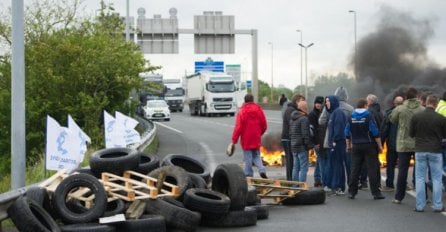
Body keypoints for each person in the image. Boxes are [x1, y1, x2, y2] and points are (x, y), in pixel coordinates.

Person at [410, 95, 446, 212]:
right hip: (435, 150)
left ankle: (419, 206)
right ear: (435, 104)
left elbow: (411, 134)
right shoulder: (441, 118)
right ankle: (438, 205)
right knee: (437, 179)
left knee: (420, 178)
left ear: (426, 102)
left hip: (420, 150)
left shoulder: (416, 117)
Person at [389, 87, 424, 204]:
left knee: (402, 171)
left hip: (403, 144)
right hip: (418, 143)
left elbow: (392, 120)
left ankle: (399, 197)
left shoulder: (400, 109)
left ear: (406, 97)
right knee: (420, 171)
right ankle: (423, 197)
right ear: (416, 97)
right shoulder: (422, 109)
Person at [345, 98, 385, 200]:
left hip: (356, 146)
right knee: (372, 169)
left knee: (355, 169)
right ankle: (376, 193)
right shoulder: (368, 115)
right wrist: (380, 146)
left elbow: (347, 133)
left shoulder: (351, 116)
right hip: (369, 145)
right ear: (365, 105)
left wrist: (348, 145)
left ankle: (352, 192)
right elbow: (375, 132)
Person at [231, 94, 268, 178]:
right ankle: (261, 169)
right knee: (256, 155)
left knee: (248, 156)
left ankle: (248, 174)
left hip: (246, 138)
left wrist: (234, 140)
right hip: (256, 136)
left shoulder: (242, 111)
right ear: (253, 100)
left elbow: (238, 127)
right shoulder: (259, 110)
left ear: (245, 101)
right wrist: (259, 133)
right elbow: (264, 124)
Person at [380, 95, 404, 191]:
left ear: (394, 103)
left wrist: (380, 144)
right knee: (403, 166)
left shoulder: (389, 114)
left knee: (390, 165)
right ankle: (403, 184)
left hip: (392, 144)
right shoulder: (407, 113)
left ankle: (390, 185)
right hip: (403, 145)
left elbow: (384, 130)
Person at [326, 95, 347, 195]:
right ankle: (335, 185)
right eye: (326, 101)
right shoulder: (333, 113)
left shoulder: (338, 113)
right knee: (335, 165)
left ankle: (339, 187)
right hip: (334, 143)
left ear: (333, 102)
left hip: (338, 143)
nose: (326, 103)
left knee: (338, 165)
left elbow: (338, 128)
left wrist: (334, 141)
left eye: (328, 101)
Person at [281, 93, 306, 180]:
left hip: (289, 138)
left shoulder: (292, 109)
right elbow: (293, 125)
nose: (304, 103)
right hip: (288, 138)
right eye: (302, 101)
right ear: (297, 101)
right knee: (290, 160)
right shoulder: (291, 110)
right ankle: (290, 180)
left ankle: (291, 180)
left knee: (292, 161)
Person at [289, 100, 314, 182]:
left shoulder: (292, 118)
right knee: (304, 168)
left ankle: (295, 186)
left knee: (295, 167)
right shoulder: (304, 119)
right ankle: (302, 186)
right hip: (302, 147)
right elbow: (305, 134)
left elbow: (290, 133)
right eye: (306, 107)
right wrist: (309, 146)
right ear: (304, 108)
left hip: (294, 146)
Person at [308, 96, 326, 187]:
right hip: (317, 141)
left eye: (320, 103)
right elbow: (313, 130)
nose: (318, 105)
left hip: (322, 141)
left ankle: (317, 179)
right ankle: (321, 180)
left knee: (319, 160)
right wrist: (316, 143)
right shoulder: (312, 114)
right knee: (321, 160)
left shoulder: (322, 113)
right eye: (317, 103)